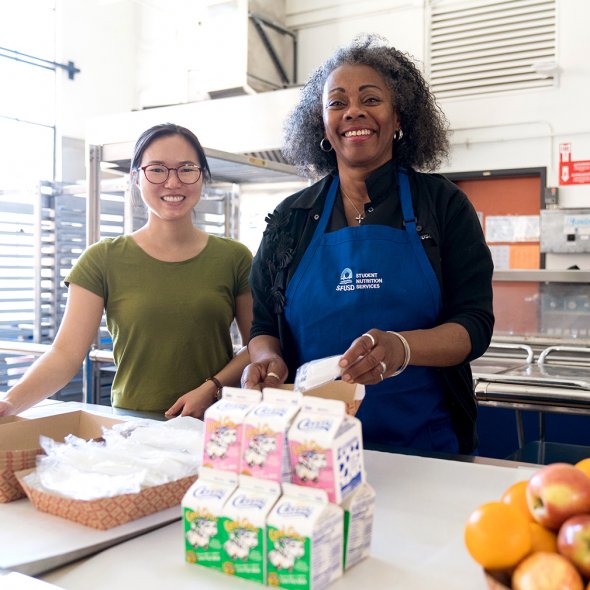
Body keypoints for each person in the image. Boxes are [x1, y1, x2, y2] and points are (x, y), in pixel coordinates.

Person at [242, 35, 494, 454]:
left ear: (398, 118)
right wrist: (267, 359)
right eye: (337, 102)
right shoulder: (291, 217)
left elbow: (474, 324)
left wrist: (402, 347)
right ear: (322, 123)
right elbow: (265, 325)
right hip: (311, 448)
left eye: (371, 99)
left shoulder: (442, 204)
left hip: (427, 449)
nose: (353, 110)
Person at [0, 123, 253, 419]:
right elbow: (65, 354)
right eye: (157, 170)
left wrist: (213, 387)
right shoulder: (102, 259)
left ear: (202, 177)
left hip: (213, 422)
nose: (173, 183)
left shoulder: (234, 257)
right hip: (131, 426)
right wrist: (10, 402)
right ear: (135, 178)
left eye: (186, 169)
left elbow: (258, 346)